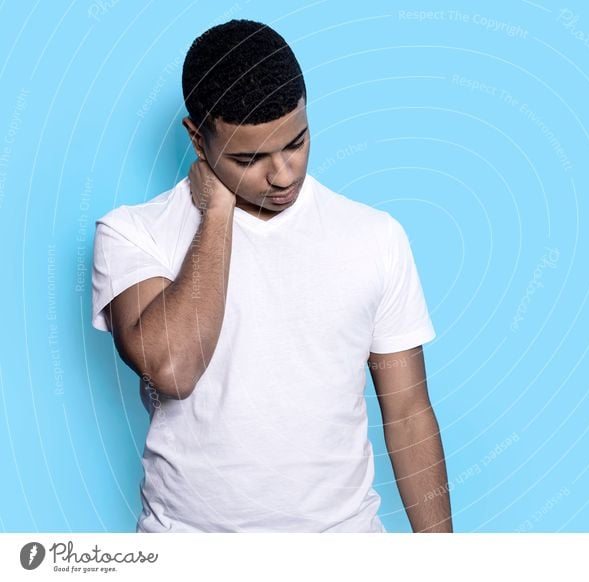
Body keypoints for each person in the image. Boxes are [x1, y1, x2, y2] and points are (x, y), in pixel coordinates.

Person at [90, 19, 452, 533]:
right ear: (197, 138)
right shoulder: (133, 233)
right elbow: (173, 369)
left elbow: (409, 411)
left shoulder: (375, 236)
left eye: (296, 143)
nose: (283, 175)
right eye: (249, 158)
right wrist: (215, 214)